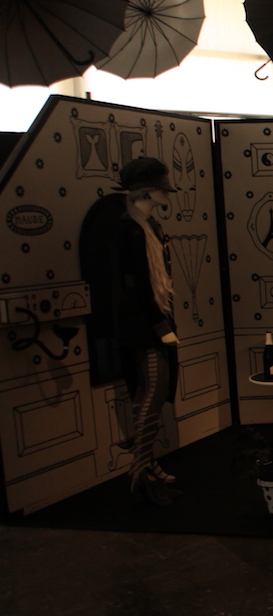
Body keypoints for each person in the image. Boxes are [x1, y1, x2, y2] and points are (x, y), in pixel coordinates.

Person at [79, 157, 181, 505]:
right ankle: (140, 470)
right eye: (161, 190)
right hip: (141, 325)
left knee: (149, 394)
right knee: (152, 394)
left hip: (148, 320)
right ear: (147, 192)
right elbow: (135, 286)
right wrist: (160, 325)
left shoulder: (147, 226)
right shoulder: (131, 229)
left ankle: (146, 465)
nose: (166, 195)